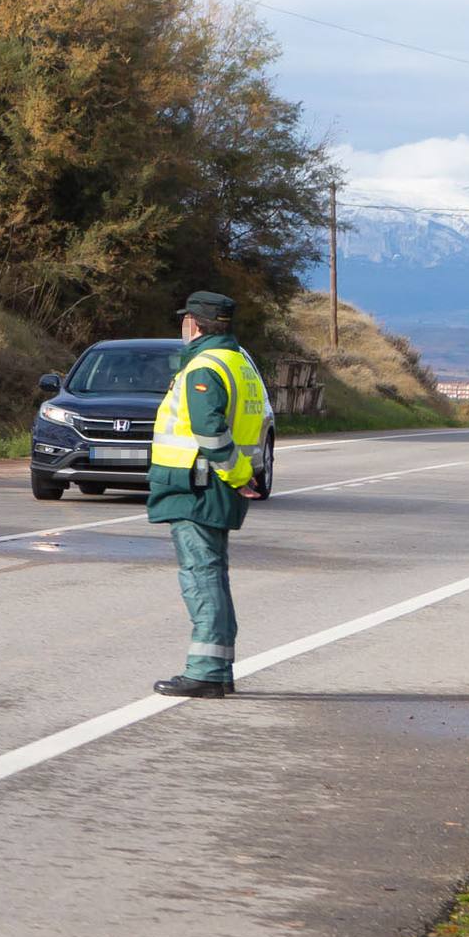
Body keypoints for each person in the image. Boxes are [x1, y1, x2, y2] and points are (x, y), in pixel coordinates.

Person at [147, 290, 268, 699]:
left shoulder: (204, 367)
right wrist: (242, 474)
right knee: (214, 574)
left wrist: (236, 474)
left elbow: (209, 430)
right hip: (215, 485)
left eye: (186, 319)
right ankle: (219, 668)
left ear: (195, 325)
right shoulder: (241, 363)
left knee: (201, 576)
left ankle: (206, 673)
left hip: (197, 485)